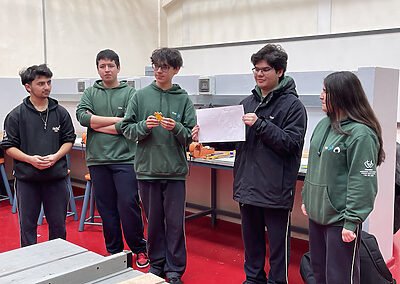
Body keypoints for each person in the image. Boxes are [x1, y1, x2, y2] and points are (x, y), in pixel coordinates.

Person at [192, 44, 307, 284]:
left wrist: (261, 125)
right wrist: (206, 136)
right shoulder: (247, 102)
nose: (259, 74)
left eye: (265, 69)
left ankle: (277, 281)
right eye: (256, 69)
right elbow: (233, 140)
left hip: (275, 190)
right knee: (252, 243)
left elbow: (291, 144)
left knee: (277, 247)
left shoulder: (293, 106)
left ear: (280, 71)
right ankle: (253, 279)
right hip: (247, 185)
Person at [120, 47, 196, 284]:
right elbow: (126, 129)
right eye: (156, 65)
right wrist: (144, 126)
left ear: (176, 69)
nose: (159, 70)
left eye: (165, 67)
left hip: (175, 172)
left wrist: (178, 129)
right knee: (152, 223)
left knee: (175, 224)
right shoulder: (140, 97)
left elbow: (191, 137)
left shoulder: (183, 99)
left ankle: (175, 271)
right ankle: (156, 265)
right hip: (147, 170)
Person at [301, 71, 385, 284]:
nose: (321, 96)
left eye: (326, 91)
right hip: (317, 215)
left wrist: (352, 220)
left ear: (342, 95)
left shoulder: (361, 134)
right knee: (319, 273)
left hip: (339, 220)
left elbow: (362, 181)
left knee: (340, 278)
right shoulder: (323, 126)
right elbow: (314, 166)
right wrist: (307, 198)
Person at [76, 49, 149, 268]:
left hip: (125, 159)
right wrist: (114, 121)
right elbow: (82, 117)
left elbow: (128, 126)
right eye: (102, 66)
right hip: (98, 159)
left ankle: (139, 249)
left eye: (110, 65)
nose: (106, 70)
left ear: (118, 67)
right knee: (106, 207)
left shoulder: (130, 94)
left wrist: (96, 126)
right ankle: (115, 251)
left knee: (128, 204)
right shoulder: (90, 92)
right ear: (98, 68)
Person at [0, 64, 76, 247]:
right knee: (27, 227)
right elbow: (9, 147)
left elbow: (68, 140)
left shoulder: (61, 113)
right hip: (27, 180)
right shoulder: (16, 115)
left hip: (56, 178)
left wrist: (56, 156)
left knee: (58, 226)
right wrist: (30, 159)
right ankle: (32, 268)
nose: (47, 87)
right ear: (28, 86)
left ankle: (58, 262)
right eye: (41, 83)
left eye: (48, 82)